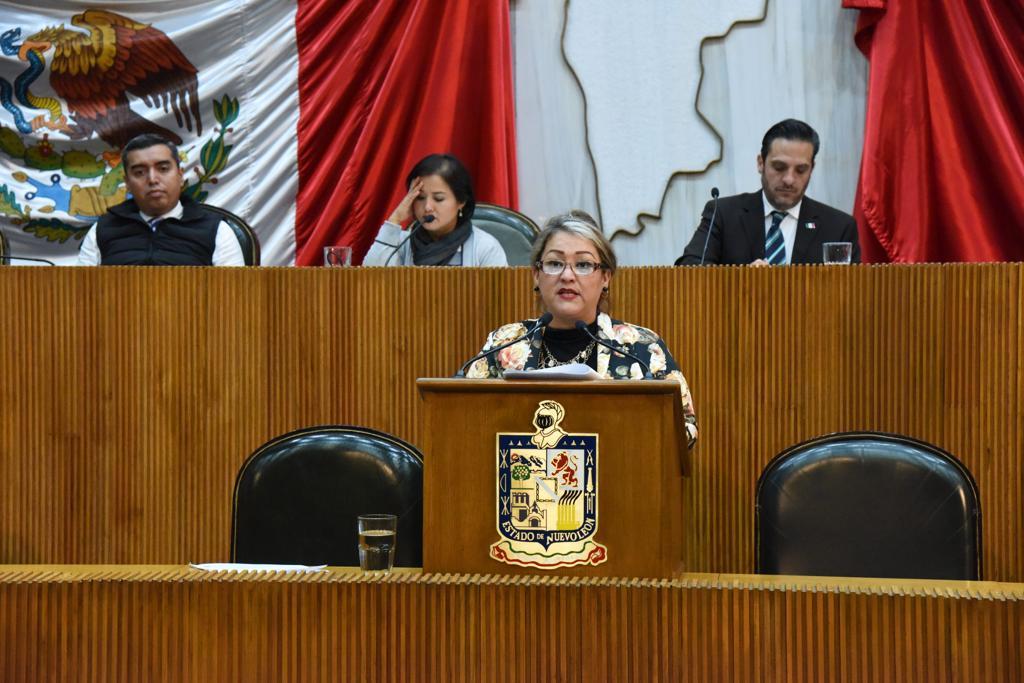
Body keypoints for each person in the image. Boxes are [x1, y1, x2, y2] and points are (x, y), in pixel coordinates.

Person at [464, 211, 698, 448]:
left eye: (583, 265)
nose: (567, 276)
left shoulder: (641, 348)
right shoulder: (505, 343)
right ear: (536, 274)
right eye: (555, 263)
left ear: (605, 277)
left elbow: (685, 430)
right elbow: (462, 417)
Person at [675, 119, 861, 266]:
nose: (789, 179)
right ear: (761, 163)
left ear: (812, 169)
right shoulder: (723, 214)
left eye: (800, 170)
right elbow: (689, 270)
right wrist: (739, 281)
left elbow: (850, 296)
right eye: (779, 167)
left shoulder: (838, 227)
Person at [77, 134, 245, 266]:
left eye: (163, 169)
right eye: (139, 172)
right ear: (127, 183)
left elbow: (235, 297)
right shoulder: (103, 228)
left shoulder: (216, 230)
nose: (152, 179)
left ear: (179, 175)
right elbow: (81, 295)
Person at [363, 153, 507, 266]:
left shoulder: (485, 247)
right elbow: (370, 282)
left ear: (461, 201)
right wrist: (394, 220)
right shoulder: (400, 242)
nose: (427, 207)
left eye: (438, 199)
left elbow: (502, 301)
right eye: (420, 198)